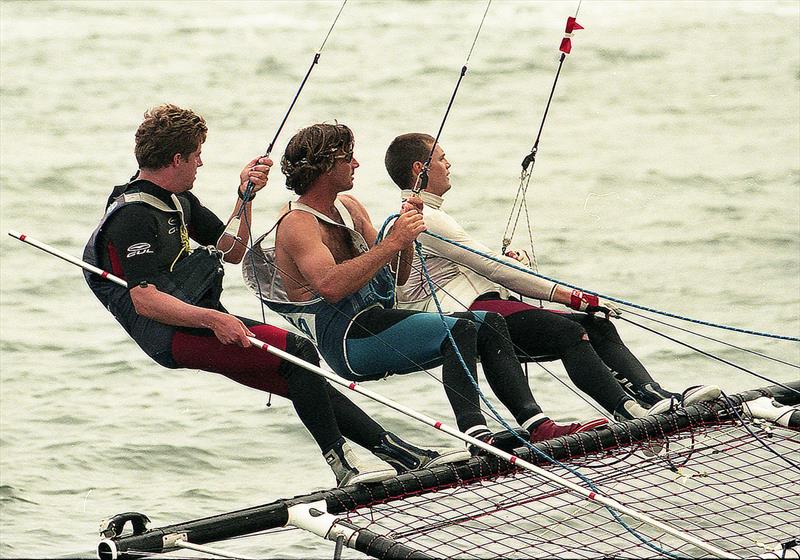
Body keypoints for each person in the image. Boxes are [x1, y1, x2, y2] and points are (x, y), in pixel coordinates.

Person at [82, 104, 468, 489]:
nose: (201, 163)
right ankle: (346, 467)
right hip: (170, 331)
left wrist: (245, 196)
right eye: (197, 154)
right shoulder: (134, 215)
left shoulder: (178, 200)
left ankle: (399, 454)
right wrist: (214, 319)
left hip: (195, 319)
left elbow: (232, 249)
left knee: (300, 374)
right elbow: (144, 301)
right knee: (297, 354)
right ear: (176, 159)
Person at [255, 122, 608, 451]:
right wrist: (392, 242)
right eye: (348, 158)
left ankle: (537, 424)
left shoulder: (349, 207)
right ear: (325, 166)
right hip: (347, 340)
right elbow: (330, 287)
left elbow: (396, 277)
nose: (357, 164)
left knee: (488, 323)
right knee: (461, 329)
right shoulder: (297, 223)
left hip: (377, 318)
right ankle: (476, 435)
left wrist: (408, 235)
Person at [383, 133, 720, 420]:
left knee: (598, 324)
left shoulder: (430, 214)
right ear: (420, 168)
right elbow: (490, 269)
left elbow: (476, 267)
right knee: (569, 330)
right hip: (470, 317)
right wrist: (571, 296)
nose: (449, 164)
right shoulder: (424, 217)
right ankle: (626, 409)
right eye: (442, 159)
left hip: (485, 306)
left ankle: (652, 393)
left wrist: (506, 266)